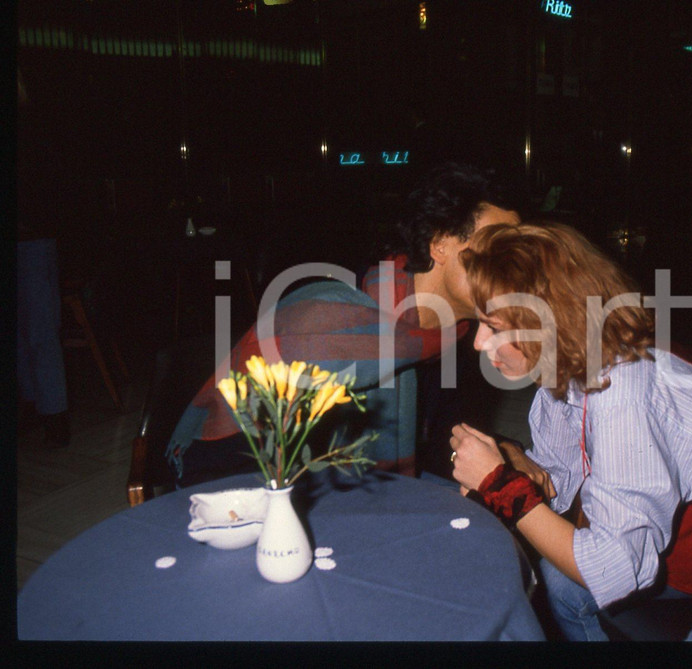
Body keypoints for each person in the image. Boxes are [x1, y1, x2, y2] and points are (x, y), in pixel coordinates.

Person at [448, 222, 692, 641]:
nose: (477, 343)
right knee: (558, 582)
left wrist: (503, 487)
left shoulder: (625, 390)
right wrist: (516, 462)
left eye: (493, 327)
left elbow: (614, 568)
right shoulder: (566, 372)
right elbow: (558, 482)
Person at [167, 163, 521, 486]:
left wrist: (505, 450)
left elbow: (443, 437)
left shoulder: (451, 334)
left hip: (357, 489)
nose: (517, 263)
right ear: (440, 244)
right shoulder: (331, 324)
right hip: (239, 481)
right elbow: (251, 456)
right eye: (499, 244)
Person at [16, 68, 72, 448]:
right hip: (34, 238)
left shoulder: (32, 127)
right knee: (25, 332)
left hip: (33, 238)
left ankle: (53, 417)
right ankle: (34, 408)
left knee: (38, 332)